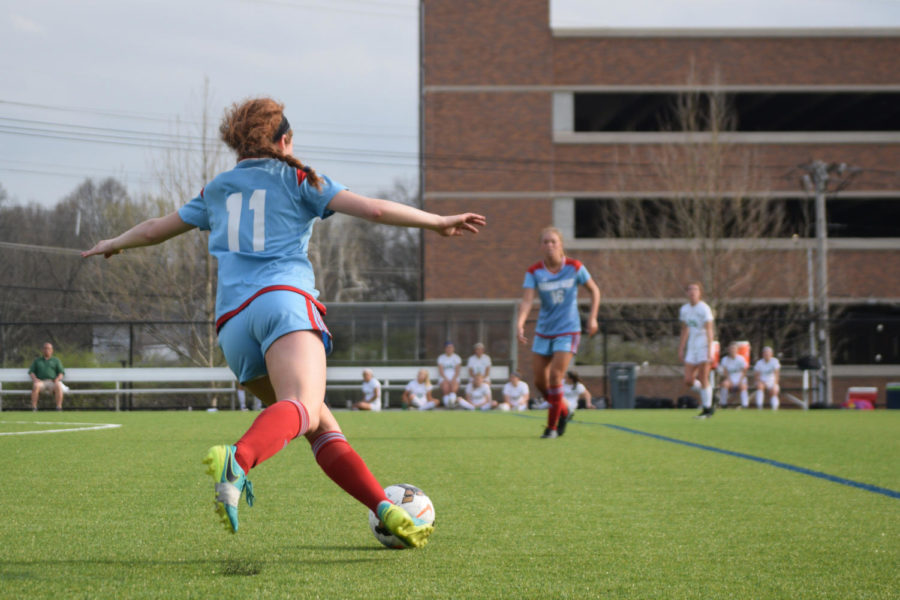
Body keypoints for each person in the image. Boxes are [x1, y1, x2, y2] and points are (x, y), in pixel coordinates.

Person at [82, 97, 485, 546]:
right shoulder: (298, 178)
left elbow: (157, 227)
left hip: (233, 329)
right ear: (285, 140)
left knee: (319, 425)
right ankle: (239, 458)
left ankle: (385, 509)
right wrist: (438, 222)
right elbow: (371, 209)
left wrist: (114, 242)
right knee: (305, 407)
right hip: (283, 306)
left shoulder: (217, 188)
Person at [516, 227, 601, 439]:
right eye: (545, 242)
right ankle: (564, 409)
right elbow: (527, 300)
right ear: (540, 246)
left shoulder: (574, 267)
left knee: (555, 376)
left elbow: (594, 290)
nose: (549, 245)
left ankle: (552, 427)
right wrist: (520, 322)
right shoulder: (534, 271)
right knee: (539, 382)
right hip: (544, 331)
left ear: (561, 244)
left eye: (553, 241)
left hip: (568, 330)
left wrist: (592, 317)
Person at [678, 282, 716, 419]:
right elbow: (685, 329)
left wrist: (710, 349)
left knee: (703, 377)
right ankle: (709, 394)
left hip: (703, 346)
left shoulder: (704, 309)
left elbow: (709, 329)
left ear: (699, 293)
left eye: (695, 289)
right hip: (692, 346)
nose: (693, 292)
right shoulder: (684, 309)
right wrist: (681, 348)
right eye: (690, 289)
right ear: (687, 293)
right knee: (688, 380)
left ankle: (707, 409)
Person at [28, 342, 67, 411]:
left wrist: (57, 379)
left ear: (52, 350)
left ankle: (59, 407)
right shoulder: (37, 361)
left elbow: (61, 373)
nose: (47, 350)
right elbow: (31, 372)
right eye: (45, 348)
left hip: (52, 382)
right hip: (41, 382)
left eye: (48, 349)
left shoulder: (56, 360)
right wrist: (35, 379)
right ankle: (34, 407)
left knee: (58, 385)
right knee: (35, 385)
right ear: (42, 350)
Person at [718, 342, 749, 409]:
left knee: (743, 386)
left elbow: (744, 371)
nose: (732, 350)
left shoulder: (741, 359)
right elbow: (725, 372)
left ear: (737, 350)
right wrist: (730, 381)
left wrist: (740, 381)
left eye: (734, 348)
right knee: (724, 384)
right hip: (730, 379)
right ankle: (723, 404)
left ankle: (745, 405)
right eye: (731, 348)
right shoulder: (724, 359)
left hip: (739, 379)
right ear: (728, 350)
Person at [753, 346, 781, 410]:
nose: (767, 354)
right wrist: (761, 382)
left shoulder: (775, 361)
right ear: (763, 354)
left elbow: (777, 374)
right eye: (765, 353)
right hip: (762, 381)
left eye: (768, 353)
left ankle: (775, 407)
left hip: (772, 381)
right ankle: (759, 406)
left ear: (771, 354)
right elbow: (756, 375)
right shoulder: (759, 363)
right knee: (760, 386)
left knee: (774, 390)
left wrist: (775, 384)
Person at [437, 341, 462, 408]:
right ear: (445, 349)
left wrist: (453, 379)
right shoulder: (441, 358)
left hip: (454, 377)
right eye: (447, 347)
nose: (449, 349)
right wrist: (446, 379)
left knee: (454, 385)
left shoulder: (457, 358)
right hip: (444, 377)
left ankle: (452, 402)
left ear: (453, 348)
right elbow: (441, 370)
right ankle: (447, 404)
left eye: (451, 347)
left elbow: (457, 371)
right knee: (445, 387)